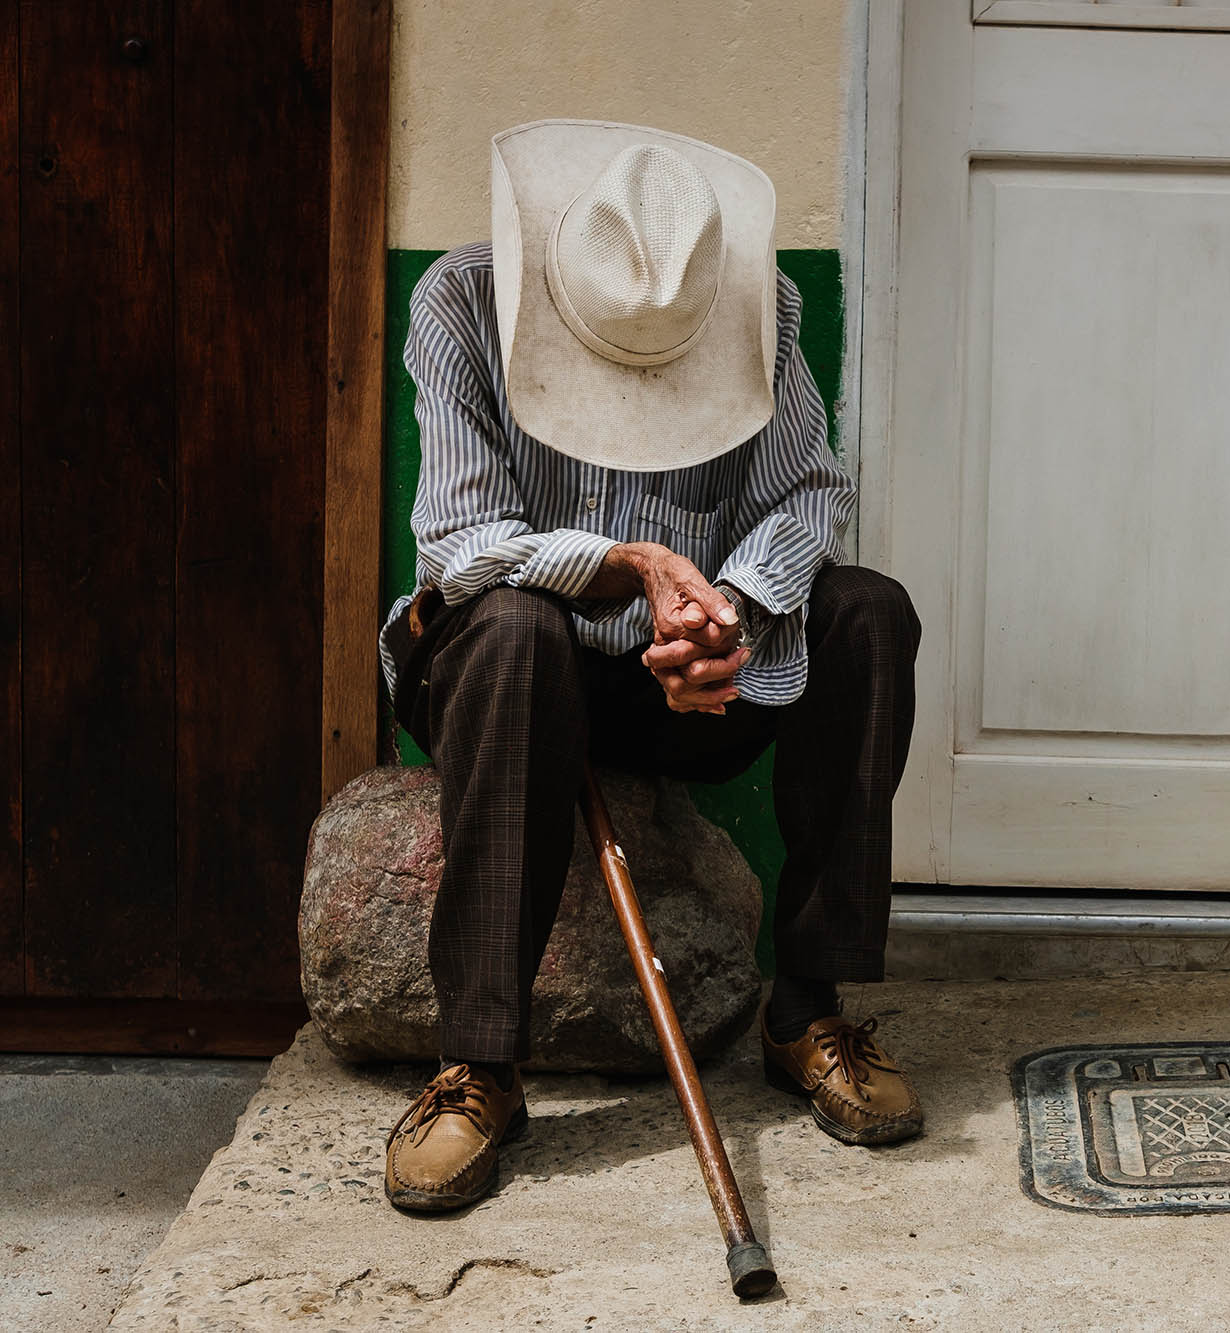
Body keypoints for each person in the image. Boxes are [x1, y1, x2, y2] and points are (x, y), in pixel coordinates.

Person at [376, 120, 922, 1213]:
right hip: (505, 675)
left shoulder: (754, 305)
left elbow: (806, 492)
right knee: (518, 624)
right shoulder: (458, 301)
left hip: (683, 681)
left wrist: (728, 615)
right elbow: (461, 544)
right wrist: (625, 569)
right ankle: (479, 1063)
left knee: (867, 613)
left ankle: (805, 1007)